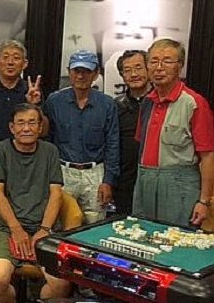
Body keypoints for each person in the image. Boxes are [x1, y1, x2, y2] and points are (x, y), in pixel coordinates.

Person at [0, 103, 70, 303]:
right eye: (21, 123)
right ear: (12, 128)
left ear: (40, 127)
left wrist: (44, 229)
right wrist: (16, 229)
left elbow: (56, 194)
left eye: (32, 122)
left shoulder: (50, 151)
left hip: (44, 228)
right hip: (7, 227)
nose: (26, 128)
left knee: (61, 283)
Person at [134, 38, 214, 227]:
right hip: (145, 181)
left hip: (179, 185)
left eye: (167, 61)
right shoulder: (147, 102)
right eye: (153, 61)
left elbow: (208, 156)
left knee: (175, 239)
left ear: (180, 66)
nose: (159, 68)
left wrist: (204, 201)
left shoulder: (194, 103)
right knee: (140, 235)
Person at [43, 50, 119, 224]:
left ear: (96, 74)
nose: (80, 76)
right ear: (69, 72)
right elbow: (46, 139)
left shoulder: (107, 104)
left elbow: (113, 145)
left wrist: (108, 181)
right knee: (59, 223)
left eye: (86, 71)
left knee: (95, 225)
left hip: (95, 173)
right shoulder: (54, 101)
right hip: (63, 171)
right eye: (76, 71)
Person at [0, 40, 41, 180]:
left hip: (25, 157)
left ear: (24, 64)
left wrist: (34, 105)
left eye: (16, 58)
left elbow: (44, 130)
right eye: (5, 57)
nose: (10, 62)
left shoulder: (31, 90)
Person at [114, 50, 151, 215]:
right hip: (125, 182)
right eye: (127, 70)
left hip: (155, 179)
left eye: (138, 68)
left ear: (149, 69)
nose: (134, 74)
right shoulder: (116, 106)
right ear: (122, 75)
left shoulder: (161, 103)